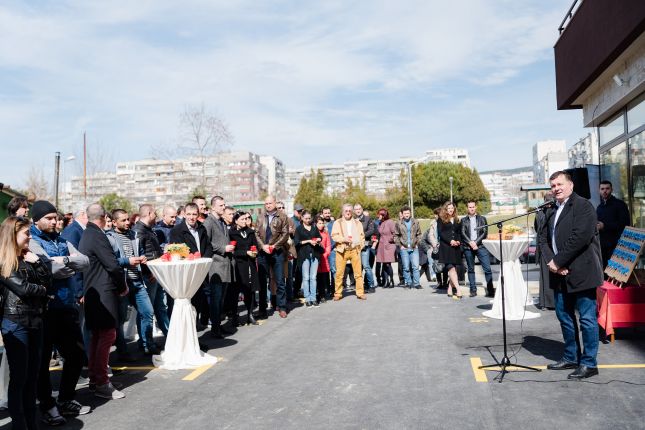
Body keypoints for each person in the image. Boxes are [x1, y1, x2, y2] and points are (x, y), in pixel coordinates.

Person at [28, 201, 92, 424]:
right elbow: (47, 268)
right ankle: (47, 405)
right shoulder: (32, 241)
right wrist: (62, 266)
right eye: (49, 218)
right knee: (42, 361)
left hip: (67, 306)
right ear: (36, 220)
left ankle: (65, 399)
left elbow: (84, 261)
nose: (55, 222)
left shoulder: (62, 240)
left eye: (56, 217)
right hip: (44, 309)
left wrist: (64, 260)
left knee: (76, 354)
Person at [539, 171, 603, 379]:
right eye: (553, 185)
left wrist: (558, 261)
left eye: (560, 184)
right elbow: (543, 239)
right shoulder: (551, 209)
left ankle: (589, 363)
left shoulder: (583, 206)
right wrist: (553, 263)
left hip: (582, 272)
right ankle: (571, 356)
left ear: (571, 185)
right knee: (564, 316)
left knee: (587, 319)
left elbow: (580, 237)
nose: (556, 188)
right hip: (559, 273)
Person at [0, 216, 49, 430]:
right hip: (15, 322)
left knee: (32, 377)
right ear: (13, 235)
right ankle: (19, 425)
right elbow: (23, 289)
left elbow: (48, 281)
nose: (30, 237)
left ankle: (31, 423)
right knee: (19, 378)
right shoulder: (4, 260)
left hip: (36, 320)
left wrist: (37, 262)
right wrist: (43, 291)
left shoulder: (28, 257)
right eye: (27, 233)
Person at [78, 204, 128, 399]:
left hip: (94, 291)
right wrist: (122, 286)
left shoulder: (87, 234)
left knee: (98, 337)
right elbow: (112, 265)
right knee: (106, 336)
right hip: (103, 292)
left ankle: (96, 378)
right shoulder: (97, 235)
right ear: (103, 217)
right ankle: (101, 382)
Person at [106, 209, 158, 356]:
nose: (127, 222)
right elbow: (110, 261)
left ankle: (147, 344)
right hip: (122, 284)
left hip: (137, 281)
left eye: (127, 219)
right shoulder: (109, 238)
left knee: (147, 312)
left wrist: (143, 258)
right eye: (123, 220)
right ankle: (122, 351)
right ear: (114, 222)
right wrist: (127, 261)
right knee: (121, 319)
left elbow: (140, 252)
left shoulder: (134, 235)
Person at [169, 203, 213, 329]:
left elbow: (208, 246)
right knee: (190, 300)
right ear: (184, 214)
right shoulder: (177, 230)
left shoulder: (202, 228)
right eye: (189, 214)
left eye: (194, 214)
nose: (191, 217)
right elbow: (175, 251)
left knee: (200, 299)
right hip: (187, 272)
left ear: (198, 215)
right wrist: (192, 259)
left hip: (201, 269)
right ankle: (188, 329)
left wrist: (204, 259)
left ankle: (197, 326)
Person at [132, 204, 170, 336]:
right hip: (149, 276)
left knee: (161, 307)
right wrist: (149, 272)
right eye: (155, 213)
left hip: (155, 273)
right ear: (149, 213)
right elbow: (138, 255)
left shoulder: (149, 229)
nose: (156, 216)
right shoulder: (138, 231)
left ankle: (169, 335)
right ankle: (146, 342)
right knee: (147, 311)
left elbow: (152, 251)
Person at [203, 196, 236, 336]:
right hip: (215, 266)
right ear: (213, 207)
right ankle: (215, 328)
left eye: (224, 205)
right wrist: (223, 248)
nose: (224, 207)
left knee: (221, 299)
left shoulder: (221, 221)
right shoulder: (208, 222)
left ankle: (218, 326)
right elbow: (206, 243)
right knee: (216, 299)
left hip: (225, 264)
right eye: (221, 205)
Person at [255, 195, 290, 318]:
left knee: (280, 281)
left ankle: (282, 307)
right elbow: (256, 233)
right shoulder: (260, 217)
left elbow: (285, 234)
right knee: (262, 282)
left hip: (277, 252)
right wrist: (262, 246)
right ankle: (262, 309)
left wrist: (274, 246)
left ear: (275, 203)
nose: (268, 205)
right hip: (263, 252)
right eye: (266, 203)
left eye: (270, 203)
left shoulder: (282, 217)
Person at [228, 211, 260, 325]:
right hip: (238, 265)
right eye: (242, 219)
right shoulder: (231, 233)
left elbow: (255, 245)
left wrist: (255, 252)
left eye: (245, 219)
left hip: (250, 264)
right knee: (236, 291)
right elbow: (233, 251)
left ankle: (250, 314)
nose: (245, 221)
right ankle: (234, 316)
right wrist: (245, 252)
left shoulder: (250, 232)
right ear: (236, 221)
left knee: (250, 290)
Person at [331, 203, 366, 300]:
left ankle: (360, 292)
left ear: (352, 212)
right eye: (346, 211)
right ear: (342, 212)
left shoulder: (357, 223)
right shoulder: (337, 222)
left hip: (355, 250)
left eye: (350, 211)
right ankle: (338, 293)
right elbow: (334, 236)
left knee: (358, 273)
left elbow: (362, 236)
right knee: (339, 274)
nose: (348, 212)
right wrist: (343, 239)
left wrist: (360, 247)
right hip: (342, 250)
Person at [460, 201, 494, 298]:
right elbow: (462, 233)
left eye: (473, 207)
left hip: (481, 246)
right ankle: (473, 290)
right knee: (471, 269)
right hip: (468, 247)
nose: (471, 208)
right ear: (467, 208)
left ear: (476, 207)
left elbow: (484, 232)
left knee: (487, 269)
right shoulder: (463, 220)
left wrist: (476, 242)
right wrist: (470, 242)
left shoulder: (482, 219)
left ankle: (490, 290)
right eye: (469, 207)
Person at [596, 180, 630, 268]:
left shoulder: (620, 204)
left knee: (615, 272)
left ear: (611, 190)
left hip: (616, 246)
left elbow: (625, 224)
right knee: (604, 272)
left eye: (607, 188)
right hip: (603, 247)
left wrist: (604, 226)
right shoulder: (599, 207)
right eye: (602, 189)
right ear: (599, 191)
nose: (605, 191)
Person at [294, 210, 323, 307]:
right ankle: (307, 298)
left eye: (309, 218)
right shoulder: (299, 229)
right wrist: (309, 241)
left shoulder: (314, 227)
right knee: (306, 277)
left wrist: (318, 239)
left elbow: (320, 237)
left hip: (315, 254)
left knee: (313, 277)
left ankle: (313, 298)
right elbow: (297, 242)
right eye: (306, 218)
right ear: (302, 218)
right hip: (304, 255)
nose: (308, 220)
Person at [437, 202, 463, 299]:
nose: (451, 210)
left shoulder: (456, 219)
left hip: (455, 247)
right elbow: (441, 233)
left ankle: (450, 288)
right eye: (449, 208)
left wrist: (458, 241)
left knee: (454, 269)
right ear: (445, 209)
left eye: (452, 208)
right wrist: (450, 241)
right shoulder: (441, 219)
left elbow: (459, 232)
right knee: (451, 268)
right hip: (446, 248)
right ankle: (458, 289)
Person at [394, 206, 422, 289]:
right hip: (404, 248)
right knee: (406, 267)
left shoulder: (415, 222)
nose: (407, 215)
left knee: (415, 267)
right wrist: (400, 246)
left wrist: (417, 243)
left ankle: (417, 283)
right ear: (402, 214)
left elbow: (419, 234)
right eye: (405, 213)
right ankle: (408, 283)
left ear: (410, 213)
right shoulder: (398, 223)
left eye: (408, 213)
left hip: (414, 247)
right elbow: (396, 236)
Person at [535, 192, 555, 309]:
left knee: (546, 277)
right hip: (547, 248)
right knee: (547, 277)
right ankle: (548, 303)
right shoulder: (542, 213)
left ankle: (546, 303)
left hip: (548, 248)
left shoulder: (540, 213)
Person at [355, 204, 378, 293]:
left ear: (362, 209)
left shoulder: (368, 219)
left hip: (365, 246)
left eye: (359, 209)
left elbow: (371, 230)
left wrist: (362, 235)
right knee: (358, 267)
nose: (358, 210)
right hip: (355, 246)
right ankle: (360, 286)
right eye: (356, 209)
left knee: (366, 266)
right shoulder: (353, 220)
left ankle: (371, 285)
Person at [375, 208, 396, 288]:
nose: (378, 216)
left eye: (380, 215)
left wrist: (390, 240)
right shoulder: (381, 223)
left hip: (389, 245)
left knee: (387, 264)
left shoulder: (390, 222)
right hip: (381, 245)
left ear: (384, 215)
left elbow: (395, 233)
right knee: (384, 264)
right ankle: (386, 282)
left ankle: (391, 281)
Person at [315, 215, 332, 303]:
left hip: (324, 258)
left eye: (322, 223)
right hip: (316, 258)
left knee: (323, 277)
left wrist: (326, 254)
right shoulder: (313, 233)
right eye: (319, 223)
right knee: (316, 277)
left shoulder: (325, 234)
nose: (321, 225)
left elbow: (328, 245)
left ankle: (323, 294)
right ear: (315, 224)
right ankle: (316, 294)